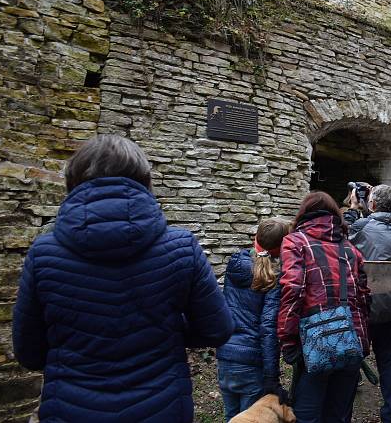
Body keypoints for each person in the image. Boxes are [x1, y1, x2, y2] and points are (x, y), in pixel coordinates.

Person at [12, 134, 234, 422]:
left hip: (71, 407)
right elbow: (217, 329)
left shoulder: (43, 254)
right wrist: (165, 327)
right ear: (144, 179)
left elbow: (28, 352)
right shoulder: (181, 247)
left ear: (73, 180)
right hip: (161, 406)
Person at [277, 191, 371, 423]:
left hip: (314, 343)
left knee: (308, 414)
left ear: (304, 213)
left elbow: (293, 291)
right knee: (338, 415)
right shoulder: (350, 249)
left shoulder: (295, 242)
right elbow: (364, 297)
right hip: (352, 341)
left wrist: (288, 340)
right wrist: (362, 339)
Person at [344, 184, 391, 423]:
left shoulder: (361, 225)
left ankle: (344, 411)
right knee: (389, 359)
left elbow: (343, 233)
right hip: (390, 303)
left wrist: (353, 206)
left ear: (371, 204)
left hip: (363, 304)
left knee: (352, 357)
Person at [216, 218, 288, 421]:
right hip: (251, 362)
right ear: (280, 248)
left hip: (226, 357)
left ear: (256, 237)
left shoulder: (234, 264)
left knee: (232, 417)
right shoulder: (274, 278)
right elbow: (268, 329)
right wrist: (271, 377)